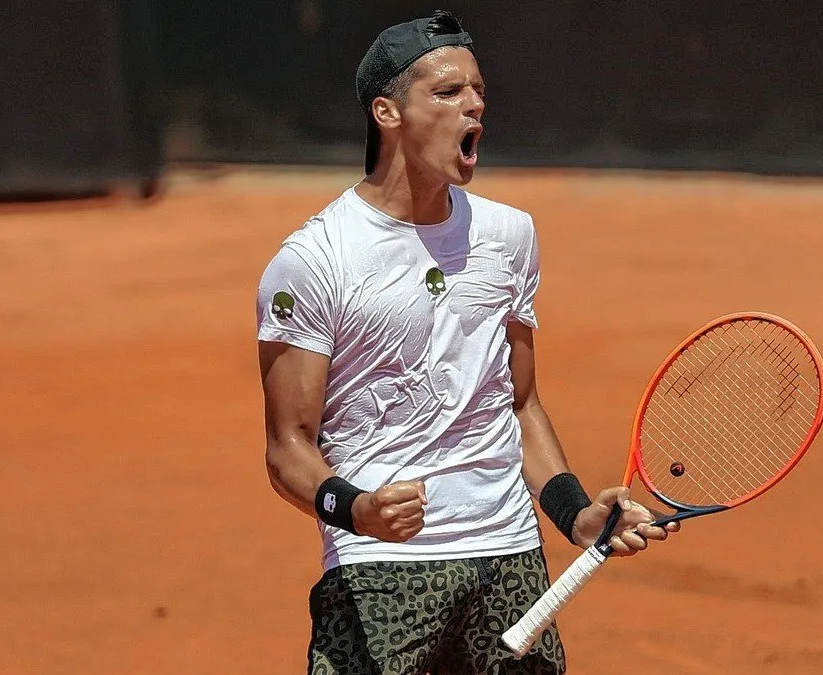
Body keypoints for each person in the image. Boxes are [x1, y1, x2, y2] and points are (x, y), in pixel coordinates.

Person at [255, 10, 677, 674]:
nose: (474, 104)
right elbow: (288, 447)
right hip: (382, 568)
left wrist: (575, 515)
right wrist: (358, 509)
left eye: (478, 91)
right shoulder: (315, 260)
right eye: (448, 92)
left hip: (508, 557)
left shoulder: (509, 236)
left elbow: (518, 403)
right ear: (388, 113)